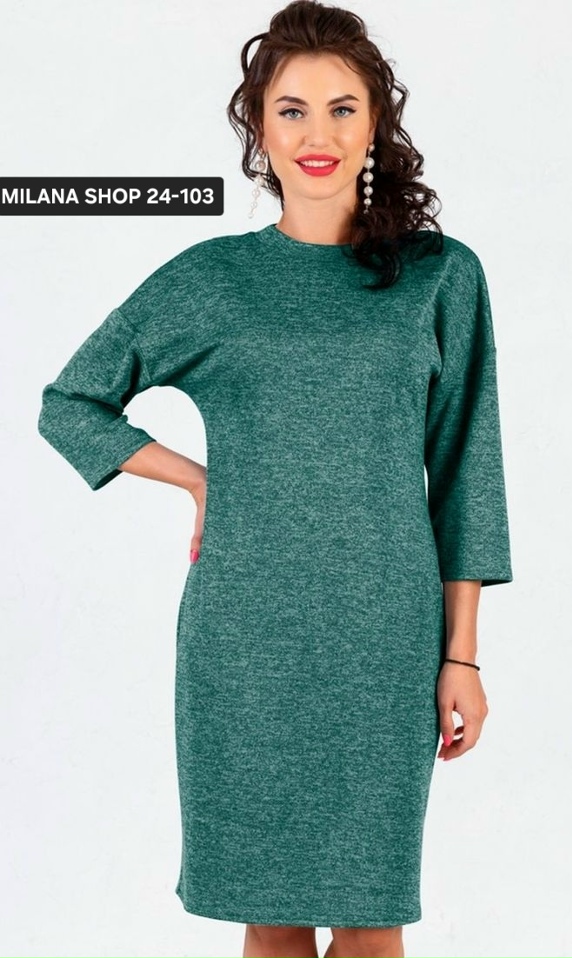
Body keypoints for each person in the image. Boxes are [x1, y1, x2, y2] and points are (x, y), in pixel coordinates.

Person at [37, 2, 514, 956]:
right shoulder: (213, 280)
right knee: (272, 924)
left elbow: (469, 470)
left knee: (373, 928)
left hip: (385, 642)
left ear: (376, 124)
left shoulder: (439, 276)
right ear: (258, 125)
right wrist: (197, 480)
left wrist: (461, 656)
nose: (316, 134)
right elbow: (70, 403)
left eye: (342, 108)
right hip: (245, 641)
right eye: (291, 110)